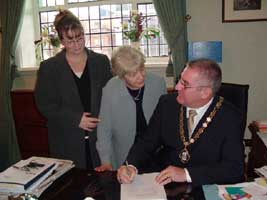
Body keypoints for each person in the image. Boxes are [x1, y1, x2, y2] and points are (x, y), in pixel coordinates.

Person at [117, 58, 245, 186]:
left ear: (205, 92)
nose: (177, 87)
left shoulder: (230, 117)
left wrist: (186, 174)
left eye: (185, 84)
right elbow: (147, 141)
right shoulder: (167, 103)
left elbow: (234, 168)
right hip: (164, 181)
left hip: (205, 184)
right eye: (180, 80)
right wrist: (130, 165)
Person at [35, 10, 112, 170]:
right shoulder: (49, 67)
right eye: (70, 41)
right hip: (66, 138)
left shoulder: (101, 61)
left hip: (98, 137)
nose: (77, 45)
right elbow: (45, 105)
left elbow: (110, 96)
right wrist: (76, 119)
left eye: (80, 38)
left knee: (101, 185)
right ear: (61, 40)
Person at [95, 46, 167, 172]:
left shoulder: (158, 83)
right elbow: (104, 129)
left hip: (156, 152)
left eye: (142, 69)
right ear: (121, 76)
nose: (141, 76)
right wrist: (105, 161)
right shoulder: (111, 89)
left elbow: (166, 122)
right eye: (133, 74)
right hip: (125, 154)